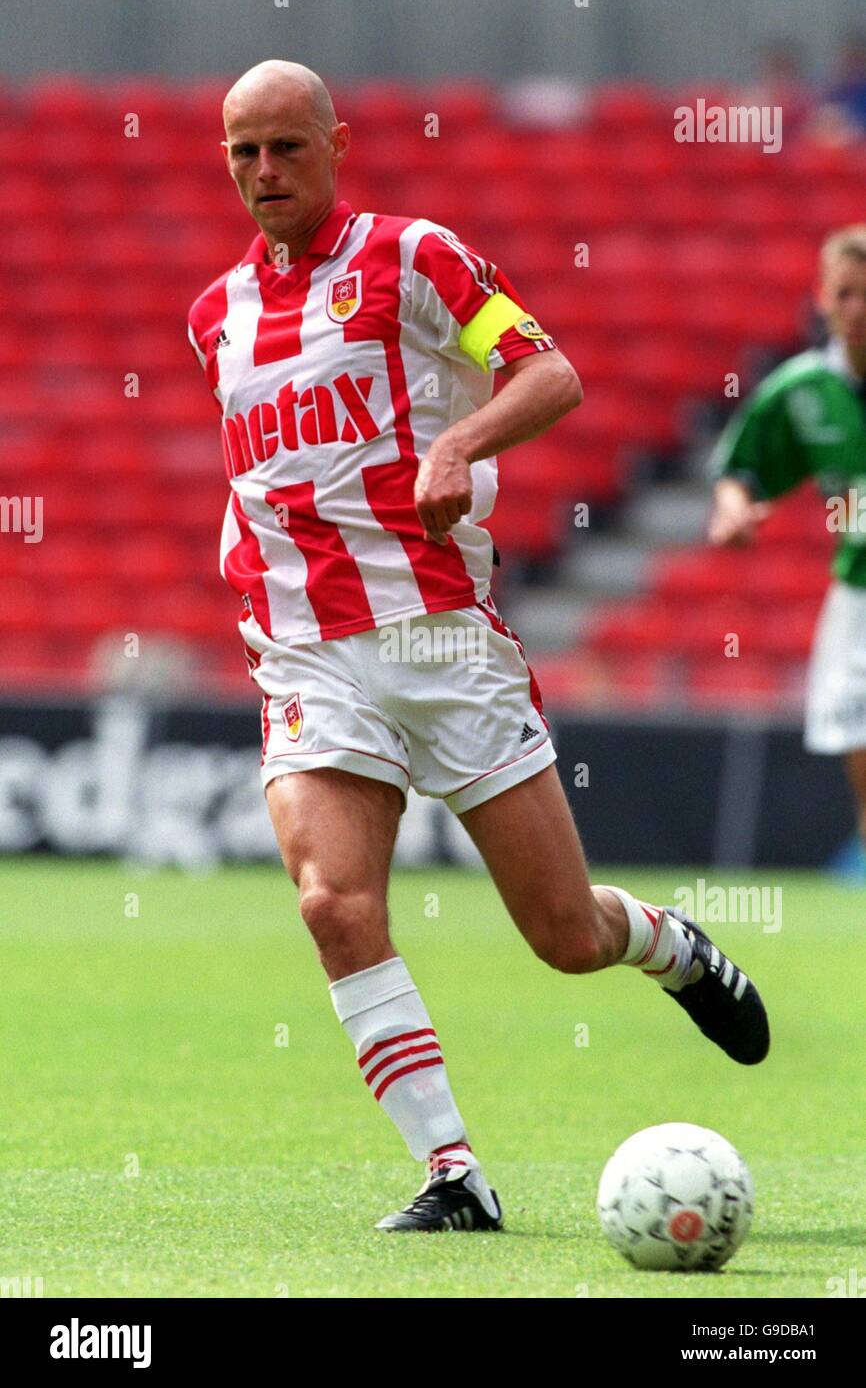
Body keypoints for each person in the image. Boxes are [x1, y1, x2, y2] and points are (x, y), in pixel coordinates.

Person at [189, 60, 769, 1234]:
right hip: (310, 654)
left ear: (336, 143)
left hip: (444, 642)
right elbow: (264, 470)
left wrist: (460, 447)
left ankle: (663, 944)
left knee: (563, 937)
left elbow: (546, 372)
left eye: (286, 148)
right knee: (331, 903)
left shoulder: (416, 258)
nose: (264, 173)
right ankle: (454, 1174)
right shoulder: (215, 317)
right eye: (242, 152)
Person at [709, 225, 866, 845]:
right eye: (845, 294)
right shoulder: (802, 392)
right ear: (822, 298)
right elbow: (739, 470)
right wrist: (732, 511)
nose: (856, 310)